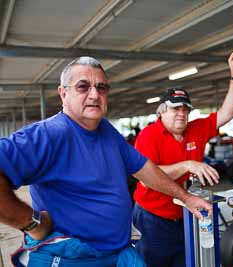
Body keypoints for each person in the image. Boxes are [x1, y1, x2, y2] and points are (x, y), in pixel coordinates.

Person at [0, 56, 211, 267]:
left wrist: (186, 198)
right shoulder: (50, 134)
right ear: (63, 94)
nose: (94, 94)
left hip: (115, 253)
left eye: (101, 88)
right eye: (83, 87)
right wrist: (33, 222)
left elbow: (144, 168)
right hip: (74, 258)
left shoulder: (106, 130)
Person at [132, 50, 233, 267]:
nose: (181, 113)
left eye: (185, 109)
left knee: (186, 261)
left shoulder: (196, 129)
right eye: (175, 109)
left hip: (186, 214)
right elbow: (146, 178)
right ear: (161, 112)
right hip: (154, 216)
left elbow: (228, 113)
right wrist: (187, 165)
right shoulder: (149, 135)